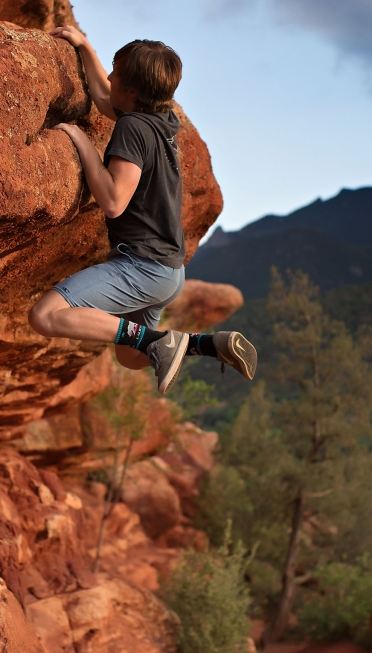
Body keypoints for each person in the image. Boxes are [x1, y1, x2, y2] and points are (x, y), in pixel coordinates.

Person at [28, 29, 257, 395]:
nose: (108, 77)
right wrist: (84, 46)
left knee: (45, 315)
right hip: (168, 273)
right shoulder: (161, 117)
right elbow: (105, 97)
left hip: (142, 267)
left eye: (115, 72)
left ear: (133, 91)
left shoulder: (133, 127)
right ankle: (204, 344)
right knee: (131, 356)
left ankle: (158, 342)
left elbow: (114, 201)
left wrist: (82, 142)